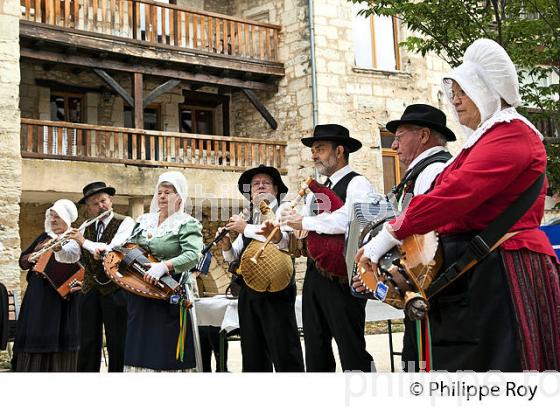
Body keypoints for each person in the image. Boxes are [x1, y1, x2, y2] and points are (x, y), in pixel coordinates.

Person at [354, 38, 560, 371]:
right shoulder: (484, 140)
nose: (456, 100)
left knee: (505, 369)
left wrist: (391, 234)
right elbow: (445, 192)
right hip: (480, 269)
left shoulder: (513, 135)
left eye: (462, 92)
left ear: (484, 90)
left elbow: (454, 194)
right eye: (454, 93)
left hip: (504, 266)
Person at [281, 124, 376, 372]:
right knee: (315, 344)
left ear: (340, 151)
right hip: (315, 275)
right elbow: (307, 224)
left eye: (320, 149)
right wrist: (292, 222)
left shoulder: (359, 184)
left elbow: (349, 219)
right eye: (313, 150)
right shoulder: (317, 190)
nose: (314, 155)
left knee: (350, 346)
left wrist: (306, 222)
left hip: (344, 277)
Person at [384, 104, 455, 371]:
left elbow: (423, 235)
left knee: (425, 363)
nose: (393, 145)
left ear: (424, 135)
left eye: (400, 137)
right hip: (426, 286)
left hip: (433, 288)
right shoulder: (421, 172)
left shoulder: (433, 172)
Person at [217, 164, 304, 372]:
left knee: (284, 349)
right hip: (249, 291)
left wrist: (245, 228)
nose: (260, 186)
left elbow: (280, 238)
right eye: (256, 184)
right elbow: (234, 256)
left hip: (278, 289)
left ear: (275, 190)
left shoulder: (285, 210)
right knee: (253, 351)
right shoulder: (248, 216)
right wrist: (227, 245)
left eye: (266, 183)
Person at [123, 171, 203, 372]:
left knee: (164, 346)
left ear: (179, 197)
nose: (162, 196)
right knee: (140, 342)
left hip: (170, 291)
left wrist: (164, 266)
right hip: (141, 289)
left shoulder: (186, 223)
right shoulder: (144, 220)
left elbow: (193, 255)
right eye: (159, 192)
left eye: (168, 192)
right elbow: (131, 245)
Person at [64, 182, 135, 372]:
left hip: (116, 288)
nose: (100, 206)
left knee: (117, 340)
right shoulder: (86, 227)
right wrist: (59, 248)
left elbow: (113, 249)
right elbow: (73, 255)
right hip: (90, 289)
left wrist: (83, 241)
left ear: (110, 201)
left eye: (103, 201)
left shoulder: (126, 222)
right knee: (87, 339)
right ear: (88, 208)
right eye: (95, 204)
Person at [12, 199, 82, 371]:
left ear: (66, 218)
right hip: (37, 294)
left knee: (58, 336)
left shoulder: (74, 240)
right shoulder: (44, 238)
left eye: (57, 217)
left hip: (60, 298)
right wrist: (32, 257)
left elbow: (80, 265)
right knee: (34, 331)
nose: (53, 221)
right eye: (51, 216)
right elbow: (22, 261)